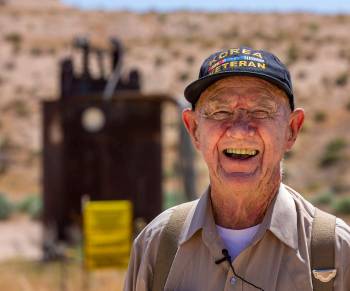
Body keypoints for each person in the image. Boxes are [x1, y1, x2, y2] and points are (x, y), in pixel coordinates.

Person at [123, 47, 350, 290]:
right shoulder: (157, 246)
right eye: (220, 112)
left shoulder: (336, 253)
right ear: (194, 129)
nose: (240, 130)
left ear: (292, 129)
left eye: (261, 111)